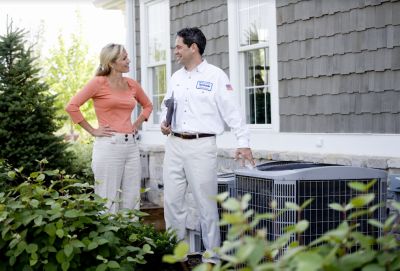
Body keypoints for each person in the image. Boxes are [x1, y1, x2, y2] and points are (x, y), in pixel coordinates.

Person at [160, 27, 255, 264]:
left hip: (201, 146)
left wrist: (243, 142)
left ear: (194, 47)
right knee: (172, 202)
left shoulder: (215, 76)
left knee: (206, 204)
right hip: (174, 145)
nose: (175, 51)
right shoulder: (176, 77)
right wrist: (164, 123)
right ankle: (177, 256)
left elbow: (233, 112)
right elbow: (166, 105)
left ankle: (212, 259)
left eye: (179, 46)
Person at [66, 43, 153, 213]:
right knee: (107, 200)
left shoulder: (131, 84)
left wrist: (136, 124)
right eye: (124, 58)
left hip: (131, 147)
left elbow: (148, 105)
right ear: (111, 63)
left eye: (127, 56)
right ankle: (109, 238)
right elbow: (72, 106)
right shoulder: (98, 83)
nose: (129, 60)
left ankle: (129, 238)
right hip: (109, 146)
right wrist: (92, 130)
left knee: (132, 201)